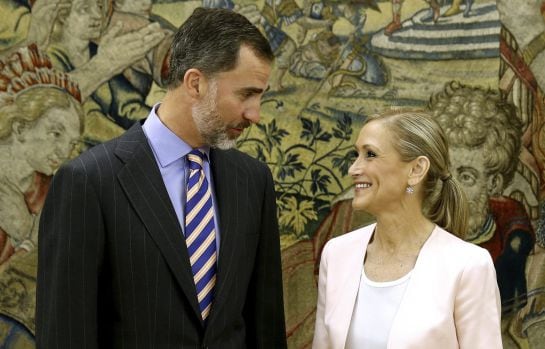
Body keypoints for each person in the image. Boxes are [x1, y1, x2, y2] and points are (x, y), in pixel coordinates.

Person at [36, 7, 287, 348]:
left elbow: (265, 328)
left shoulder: (253, 181)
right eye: (246, 94)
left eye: (261, 96)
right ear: (195, 83)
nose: (255, 114)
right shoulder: (88, 182)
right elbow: (65, 336)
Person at [312, 110, 502, 348]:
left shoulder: (469, 266)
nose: (353, 169)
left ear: (416, 170)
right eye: (356, 154)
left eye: (370, 154)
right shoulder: (337, 254)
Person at [0, 43, 83, 346]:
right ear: (21, 127)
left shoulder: (47, 190)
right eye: (56, 133)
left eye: (72, 143)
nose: (63, 151)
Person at [429, 81, 535, 315]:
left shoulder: (505, 226)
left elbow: (513, 215)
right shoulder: (422, 227)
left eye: (466, 177)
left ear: (494, 184)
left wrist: (516, 251)